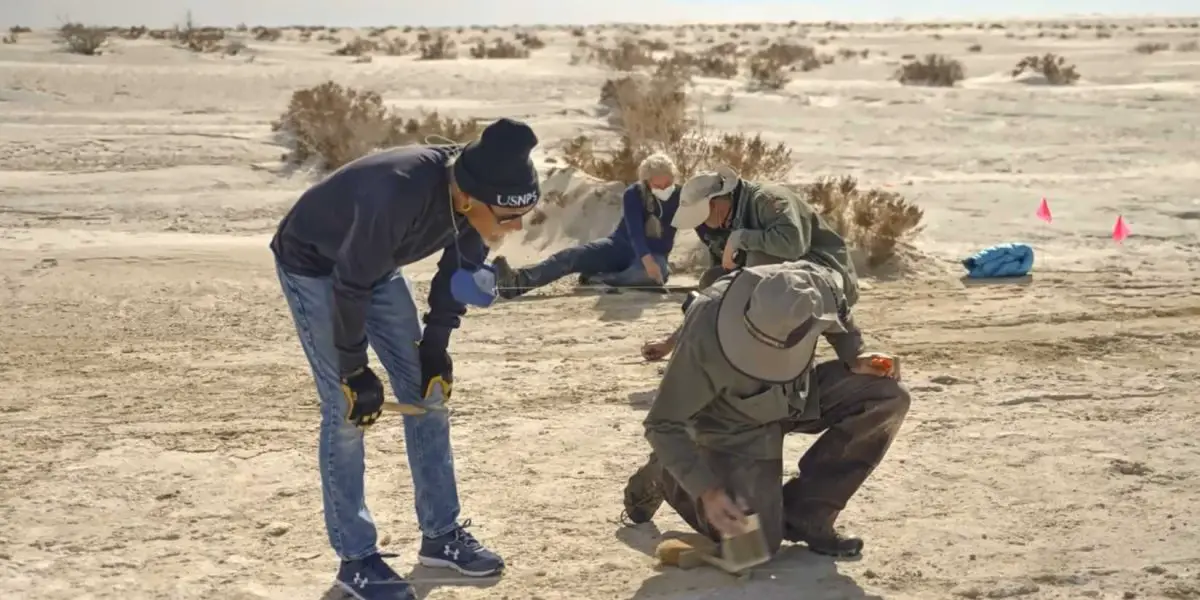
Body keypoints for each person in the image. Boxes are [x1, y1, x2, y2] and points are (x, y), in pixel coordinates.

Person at [270, 118, 541, 600]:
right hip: (315, 264)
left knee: (428, 394)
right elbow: (349, 286)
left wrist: (435, 347)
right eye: (507, 217)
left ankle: (441, 535)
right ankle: (356, 564)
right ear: (473, 198)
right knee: (347, 410)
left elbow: (457, 271)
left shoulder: (481, 187)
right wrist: (355, 369)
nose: (515, 228)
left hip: (375, 265)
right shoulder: (398, 194)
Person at [621, 261, 910, 559]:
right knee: (756, 546)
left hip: (797, 394)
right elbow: (662, 423)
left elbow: (840, 315)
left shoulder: (812, 288)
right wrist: (704, 487)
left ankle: (808, 514)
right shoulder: (705, 328)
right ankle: (666, 475)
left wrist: (855, 354)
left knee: (887, 395)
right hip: (734, 422)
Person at [640, 165, 859, 362]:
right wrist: (671, 342)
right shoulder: (721, 224)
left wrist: (741, 238)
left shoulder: (768, 199)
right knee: (714, 279)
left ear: (716, 204)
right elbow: (716, 292)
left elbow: (793, 245)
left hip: (830, 282)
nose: (702, 225)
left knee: (753, 268)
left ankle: (848, 355)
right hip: (789, 287)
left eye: (703, 216)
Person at [490, 153, 681, 298]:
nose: (665, 190)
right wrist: (647, 261)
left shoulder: (679, 195)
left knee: (653, 274)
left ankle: (600, 279)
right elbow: (635, 232)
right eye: (659, 186)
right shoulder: (634, 193)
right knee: (571, 257)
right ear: (647, 182)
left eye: (668, 184)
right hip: (619, 246)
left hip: (655, 254)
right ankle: (517, 282)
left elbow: (698, 221)